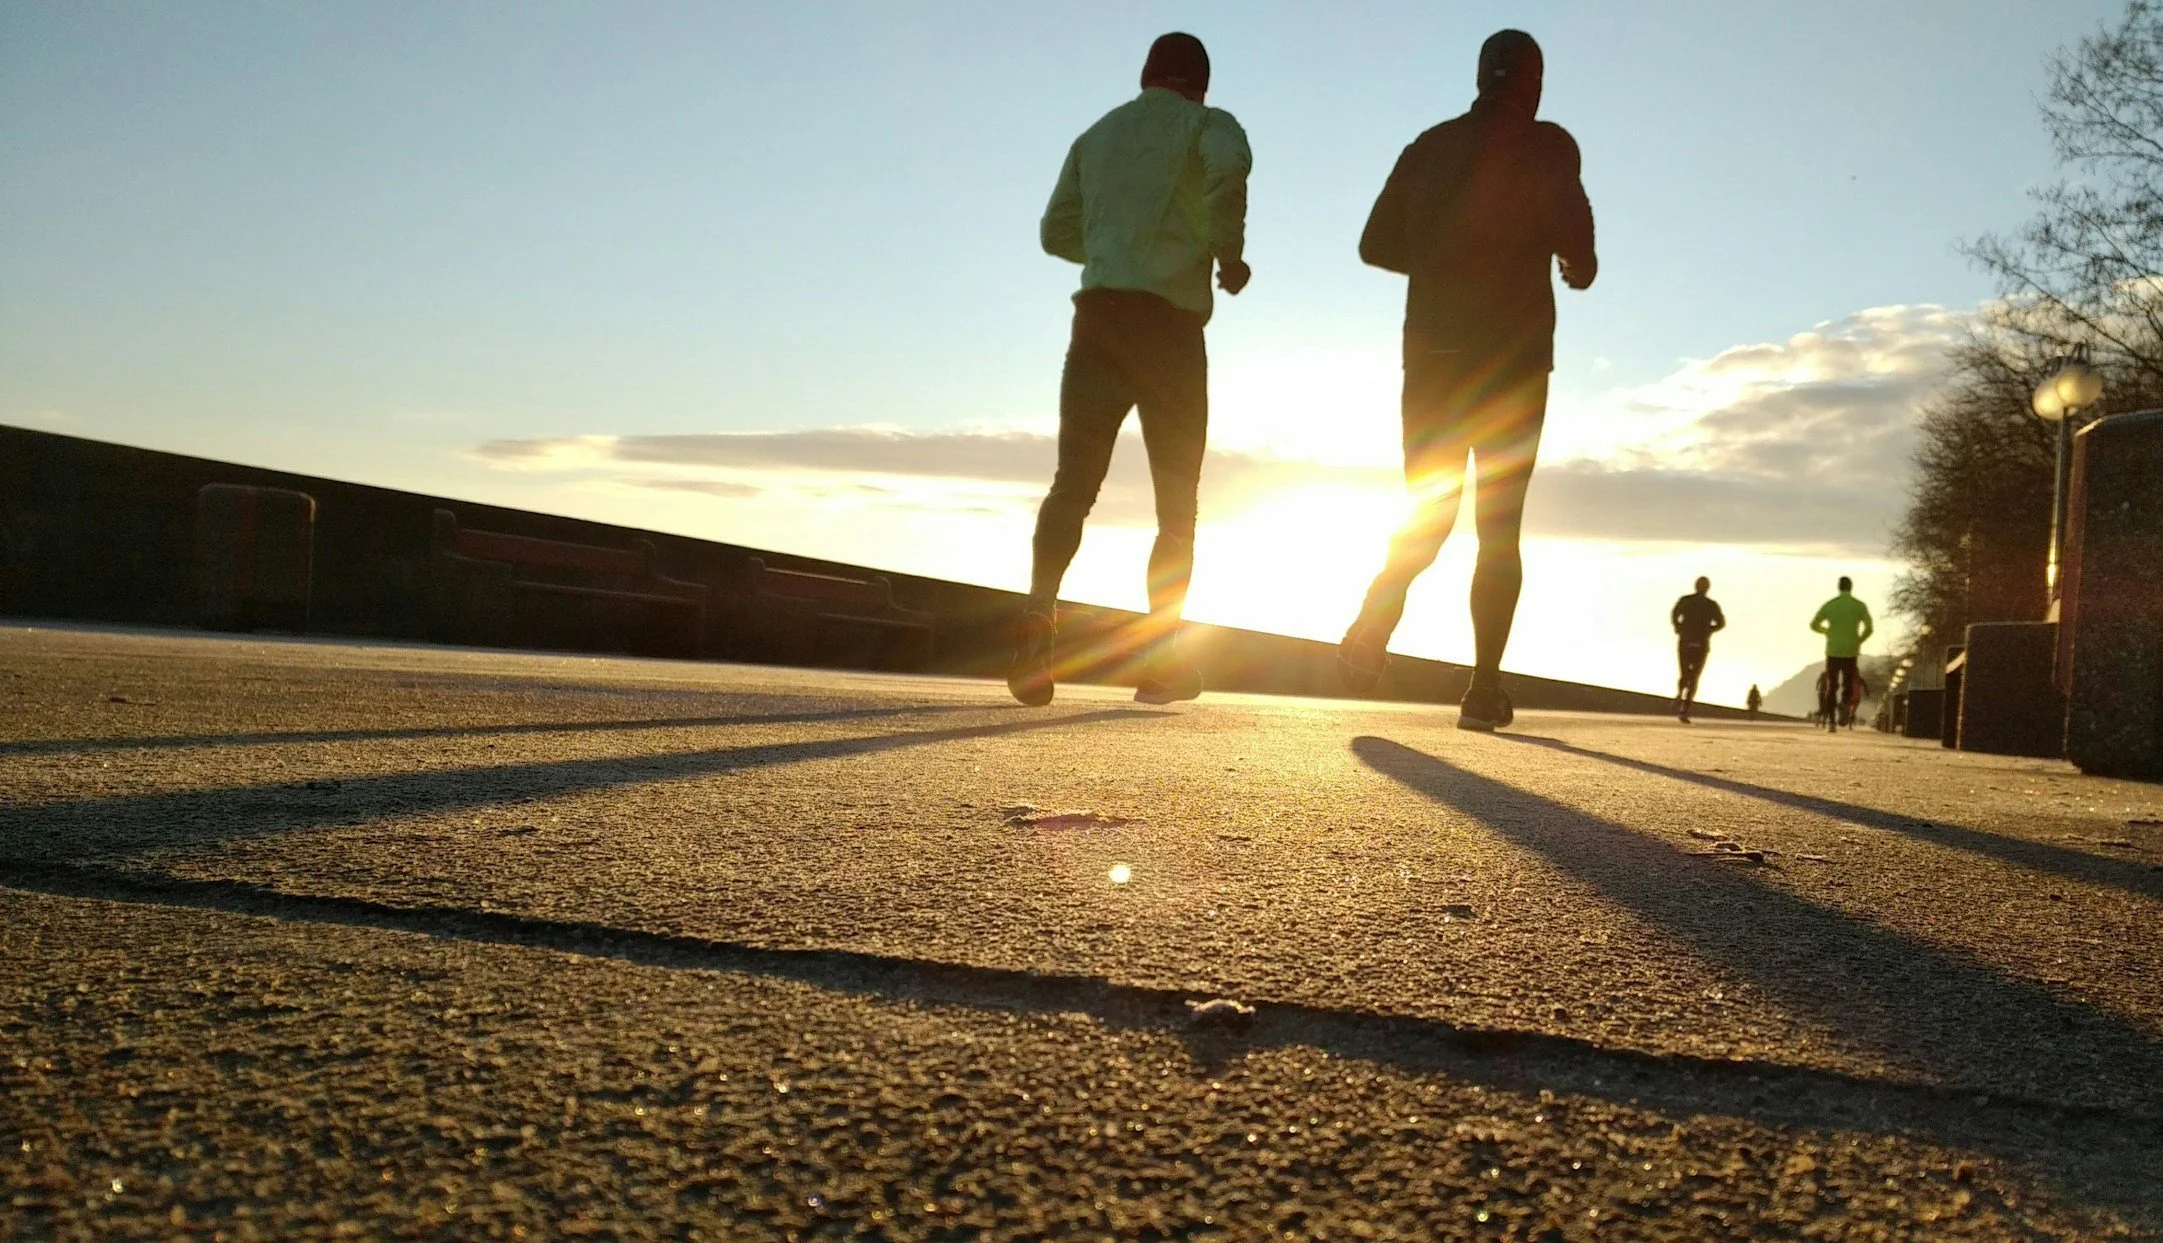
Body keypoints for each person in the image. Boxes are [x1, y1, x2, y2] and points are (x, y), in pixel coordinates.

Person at [1335, 29, 1596, 731]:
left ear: (1479, 77)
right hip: (1511, 364)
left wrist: (1443, 261)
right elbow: (1579, 249)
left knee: (1430, 509)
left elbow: (1373, 244)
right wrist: (1573, 264)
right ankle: (1482, 690)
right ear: (1534, 84)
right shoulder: (1548, 146)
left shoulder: (1426, 146)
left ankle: (1375, 614)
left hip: (1431, 361)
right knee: (1498, 528)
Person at [1009, 32, 1253, 707]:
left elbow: (1057, 231)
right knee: (1176, 511)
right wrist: (1226, 253)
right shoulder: (1211, 126)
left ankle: (1037, 614)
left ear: (1145, 75)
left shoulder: (1098, 135)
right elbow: (1227, 175)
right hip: (1169, 333)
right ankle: (1160, 663)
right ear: (1200, 84)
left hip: (1098, 321)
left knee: (1072, 485)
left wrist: (1112, 246)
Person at [1810, 576, 1874, 726]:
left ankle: (1831, 722)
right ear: (1851, 587)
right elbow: (1869, 628)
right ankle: (1844, 704)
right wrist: (1859, 640)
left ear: (1839, 587)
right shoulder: (1859, 606)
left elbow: (1814, 624)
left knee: (1832, 687)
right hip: (1851, 651)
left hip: (1833, 650)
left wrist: (1826, 630)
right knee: (1848, 684)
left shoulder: (1830, 605)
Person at [1670, 576, 1725, 723]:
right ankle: (1684, 709)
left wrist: (1678, 627)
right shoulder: (1711, 605)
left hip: (1685, 641)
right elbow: (1721, 623)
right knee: (1694, 677)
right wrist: (1709, 630)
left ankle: (1680, 692)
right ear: (1707, 588)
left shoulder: (1685, 600)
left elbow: (1674, 614)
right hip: (1702, 643)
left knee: (1685, 672)